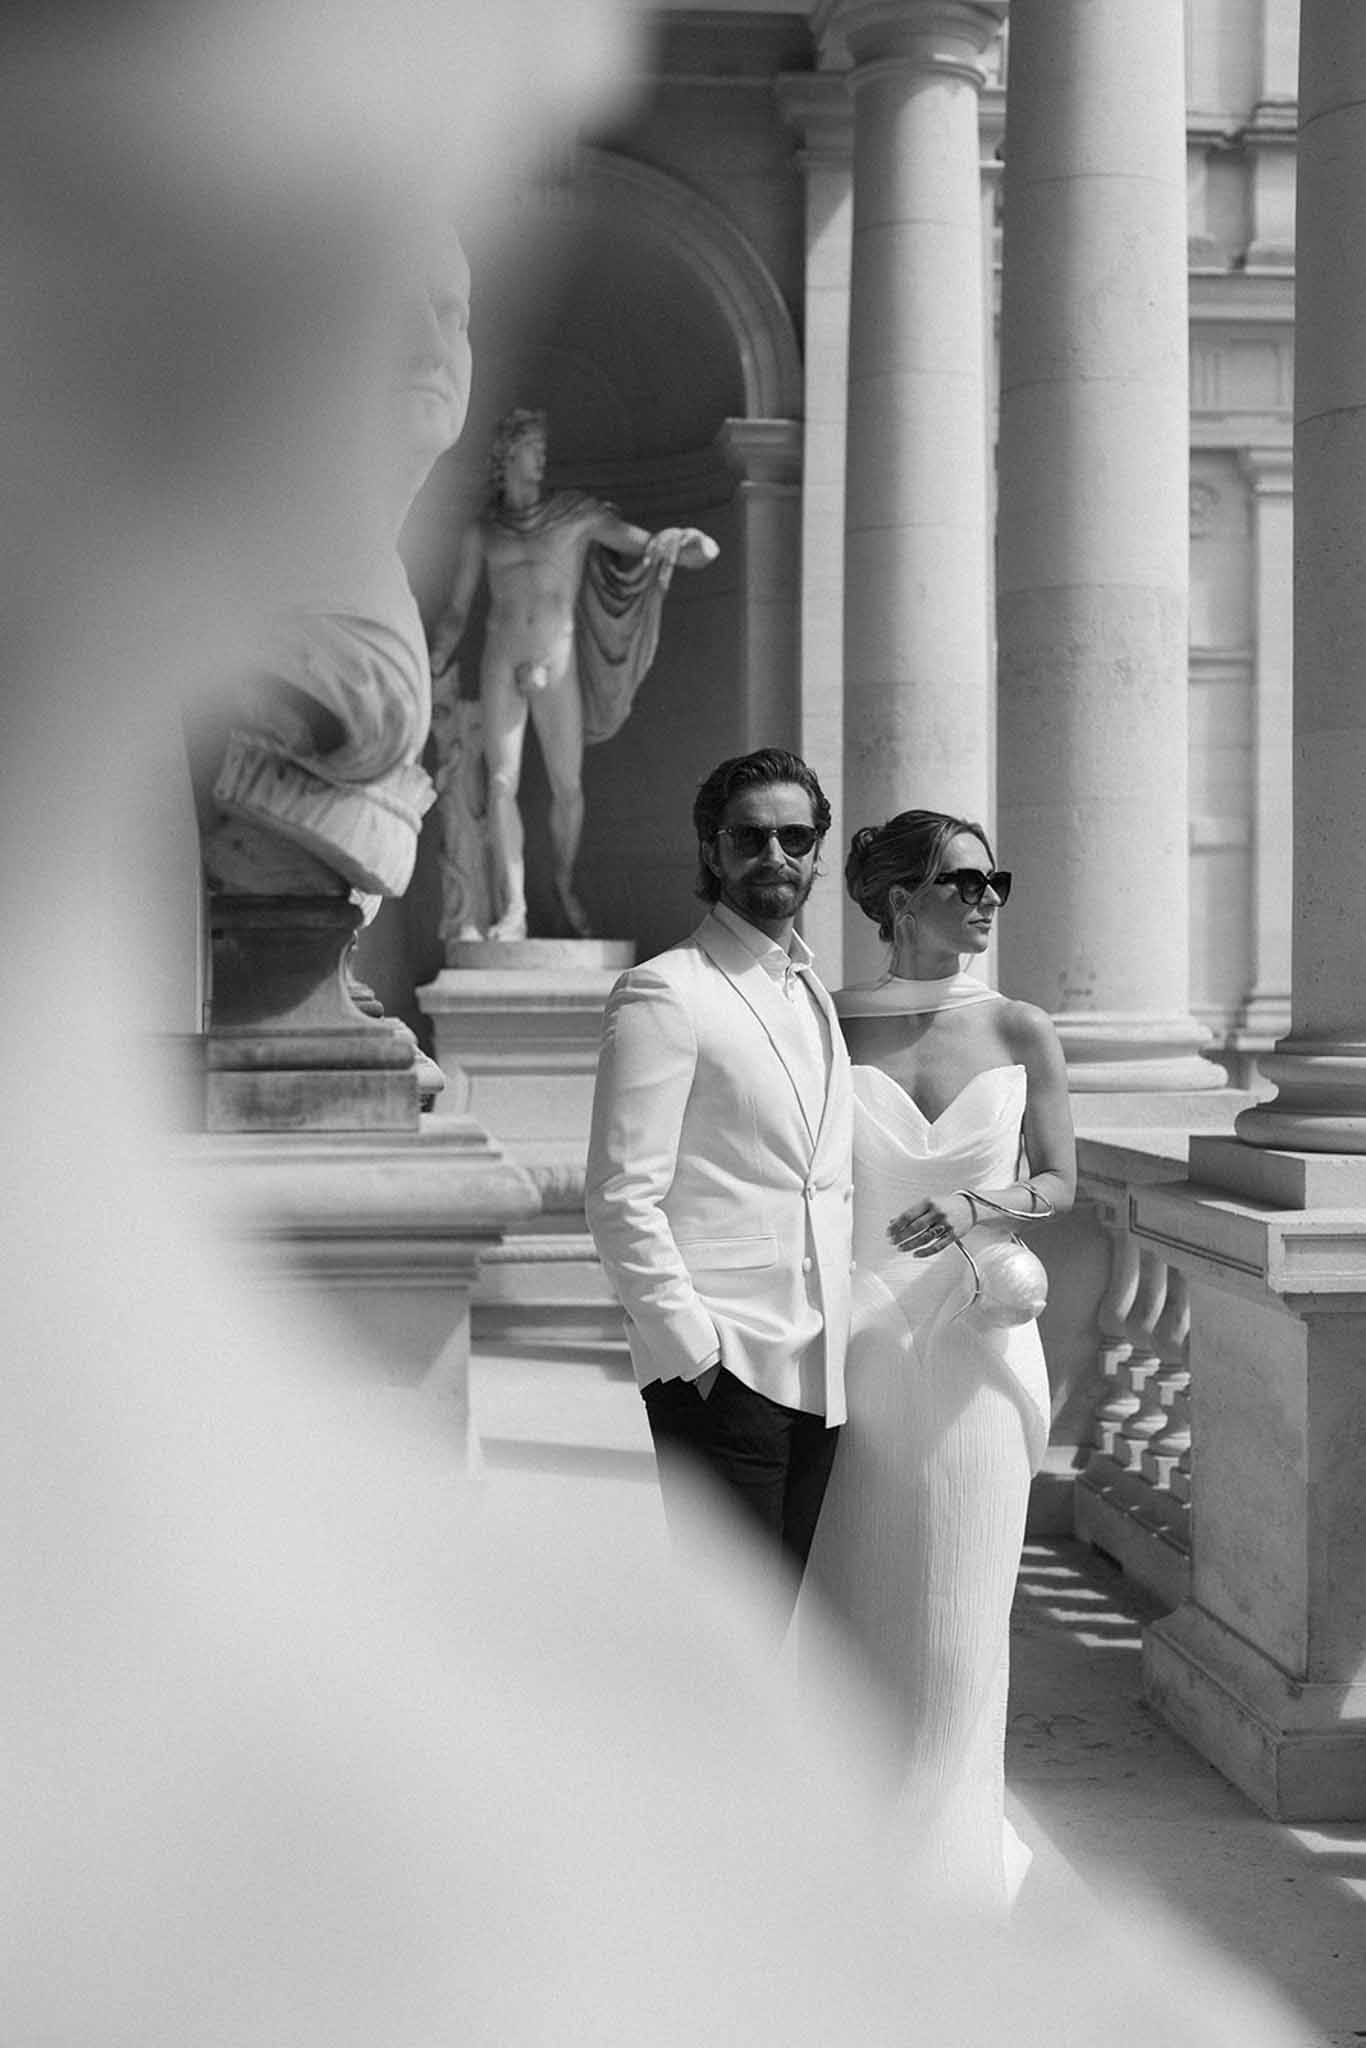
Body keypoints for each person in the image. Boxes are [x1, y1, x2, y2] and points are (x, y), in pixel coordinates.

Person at [800, 808, 1077, 1914]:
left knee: (962, 1625)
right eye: (965, 880)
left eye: (994, 878)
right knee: (859, 1607)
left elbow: (1059, 1181)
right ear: (899, 901)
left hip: (977, 1348)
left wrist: (975, 1202)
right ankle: (842, 1858)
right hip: (853, 1348)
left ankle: (945, 1877)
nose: (988, 897)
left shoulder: (1020, 1026)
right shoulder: (823, 1025)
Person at [585, 748, 854, 1613]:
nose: (775, 855)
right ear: (712, 851)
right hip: (724, 1365)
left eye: (796, 836)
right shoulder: (664, 993)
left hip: (823, 1366)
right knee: (726, 1641)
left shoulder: (812, 992)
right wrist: (697, 1357)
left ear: (819, 852)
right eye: (750, 836)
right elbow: (620, 1195)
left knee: (770, 1638)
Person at [427, 407, 718, 940]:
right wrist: (434, 662)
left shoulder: (576, 516)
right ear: (507, 455)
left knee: (568, 786)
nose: (542, 458)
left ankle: (562, 881)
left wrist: (685, 542)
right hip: (501, 658)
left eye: (542, 448)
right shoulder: (484, 532)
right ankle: (513, 908)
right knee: (498, 782)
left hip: (556, 662)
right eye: (533, 448)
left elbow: (646, 544)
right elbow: (456, 611)